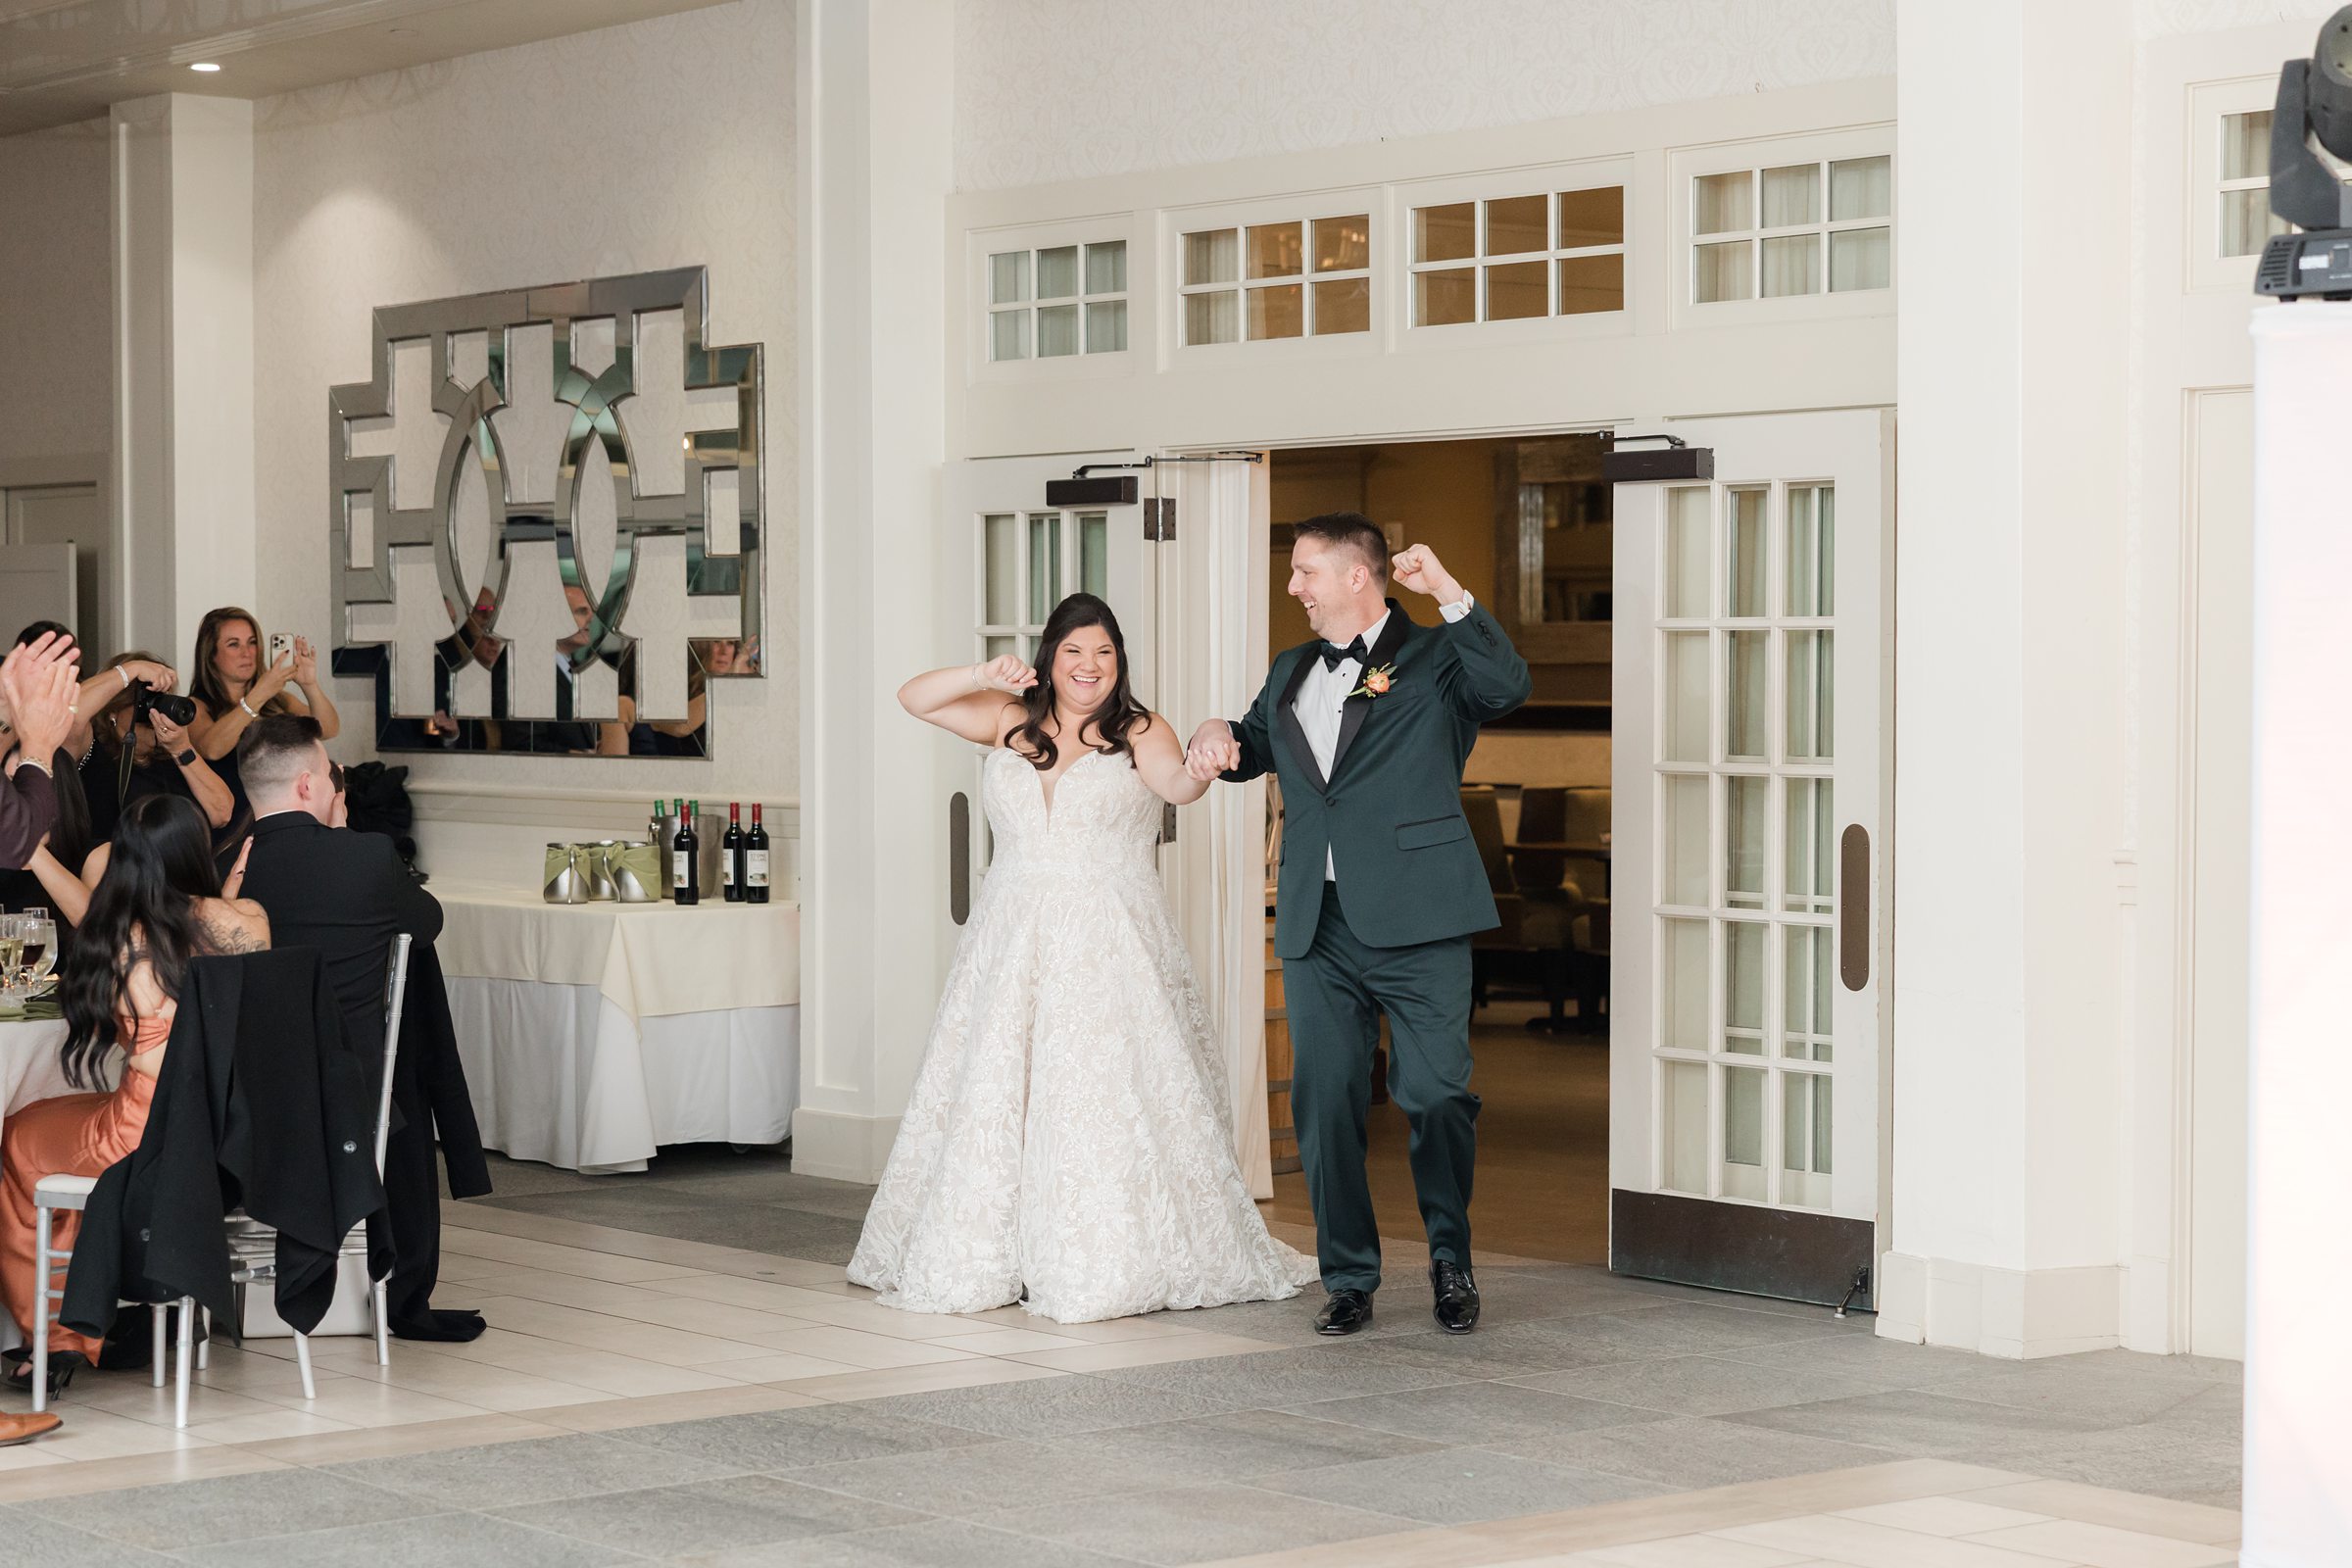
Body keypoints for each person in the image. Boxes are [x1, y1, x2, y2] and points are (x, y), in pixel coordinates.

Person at [849, 593, 1317, 1323]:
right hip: (1010, 934)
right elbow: (914, 697)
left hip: (1106, 938)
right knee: (1001, 1086)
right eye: (1073, 652)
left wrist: (1205, 758)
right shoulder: (1011, 720)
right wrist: (984, 671)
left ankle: (1096, 1249)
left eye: (1102, 652)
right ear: (1050, 659)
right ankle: (1000, 1246)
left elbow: (1176, 786)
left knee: (1096, 1089)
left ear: (1118, 661)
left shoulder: (1139, 729)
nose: (1089, 666)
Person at [1187, 515, 1530, 1337]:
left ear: (1356, 578)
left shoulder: (1436, 657)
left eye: (1307, 572)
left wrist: (1446, 591)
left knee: (1436, 1092)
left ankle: (1452, 1258)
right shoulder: (1292, 668)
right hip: (1320, 922)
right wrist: (1216, 734)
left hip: (1420, 917)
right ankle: (1349, 1275)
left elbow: (1506, 686)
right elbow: (1257, 743)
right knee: (1325, 1099)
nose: (1295, 587)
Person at [0, 795, 270, 1398]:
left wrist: (39, 856)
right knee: (47, 1123)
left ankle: (56, 1334)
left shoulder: (121, 939)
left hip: (141, 1135)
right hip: (224, 1131)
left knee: (19, 1136)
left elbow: (93, 916)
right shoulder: (245, 920)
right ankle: (87, 1313)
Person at [231, 714, 484, 1342]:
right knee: (402, 1070)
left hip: (247, 1096)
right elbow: (426, 922)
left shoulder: (225, 872)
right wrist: (345, 838)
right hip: (361, 1095)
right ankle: (400, 1284)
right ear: (309, 787)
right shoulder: (366, 857)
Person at [79, 652, 235, 882]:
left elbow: (222, 813)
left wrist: (181, 749)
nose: (154, 712)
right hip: (116, 886)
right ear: (113, 710)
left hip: (179, 888)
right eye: (143, 701)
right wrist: (129, 671)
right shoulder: (93, 753)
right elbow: (68, 712)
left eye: (160, 699)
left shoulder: (174, 759)